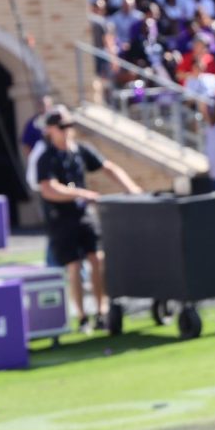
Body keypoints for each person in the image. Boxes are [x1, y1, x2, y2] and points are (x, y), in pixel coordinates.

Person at [35, 106, 141, 331]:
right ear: (51, 130)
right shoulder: (46, 157)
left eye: (69, 126)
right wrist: (82, 194)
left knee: (97, 259)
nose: (67, 131)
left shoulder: (80, 151)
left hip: (83, 215)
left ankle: (101, 311)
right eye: (62, 127)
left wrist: (131, 188)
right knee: (74, 266)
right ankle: (82, 316)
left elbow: (108, 167)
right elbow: (48, 189)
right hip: (61, 219)